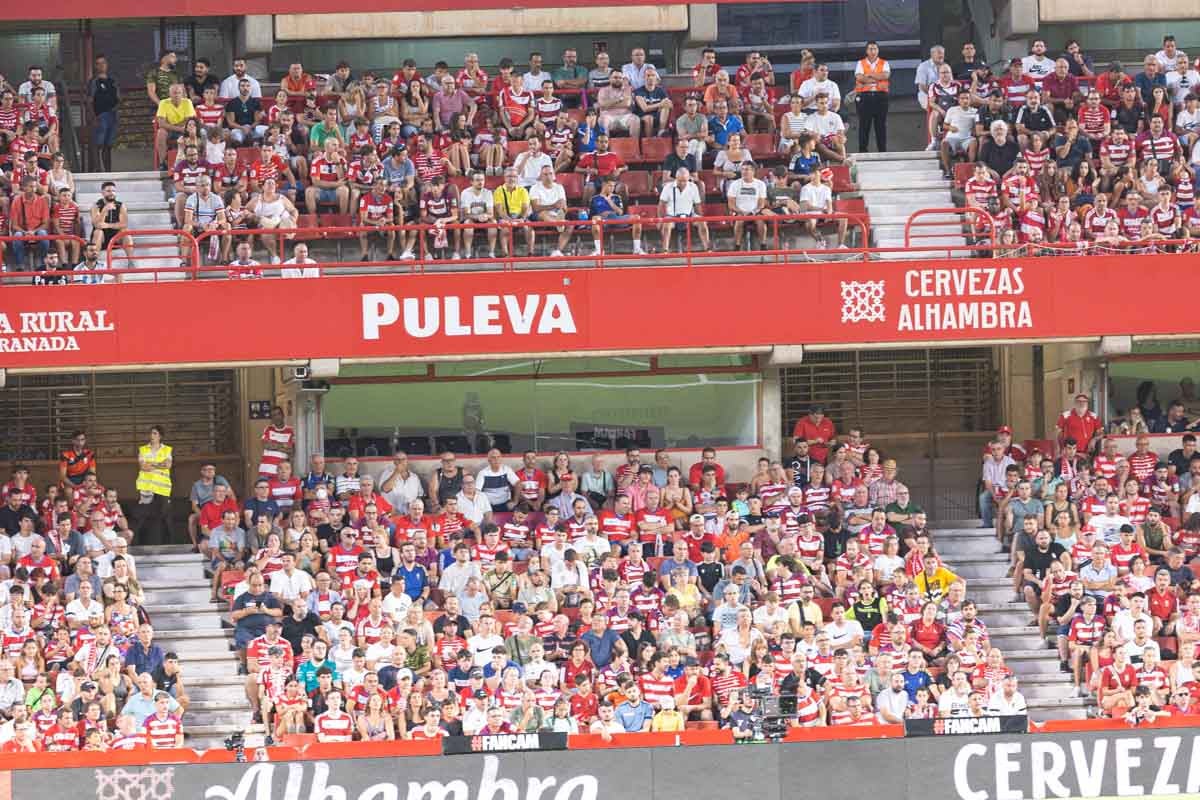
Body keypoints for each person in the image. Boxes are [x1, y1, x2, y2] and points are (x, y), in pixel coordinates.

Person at [854, 42, 890, 152]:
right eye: (870, 49)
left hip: (881, 96)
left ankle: (882, 151)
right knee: (864, 125)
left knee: (881, 125)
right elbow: (860, 78)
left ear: (878, 50)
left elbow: (885, 75)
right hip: (865, 96)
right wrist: (877, 78)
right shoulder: (860, 63)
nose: (873, 51)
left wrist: (869, 75)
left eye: (875, 49)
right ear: (866, 51)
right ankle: (863, 150)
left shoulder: (884, 63)